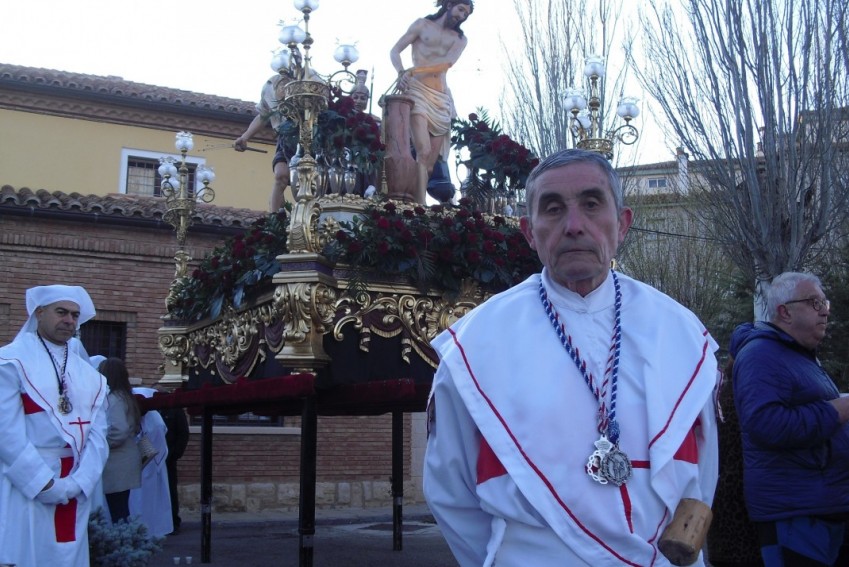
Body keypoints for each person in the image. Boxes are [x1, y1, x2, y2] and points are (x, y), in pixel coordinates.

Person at [424, 149, 720, 566]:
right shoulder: (476, 346)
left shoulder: (682, 334)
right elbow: (450, 495)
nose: (574, 226)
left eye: (592, 204)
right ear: (529, 231)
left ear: (623, 223)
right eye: (553, 209)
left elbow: (702, 476)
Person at [732, 272, 849, 566]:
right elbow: (766, 424)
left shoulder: (798, 356)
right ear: (784, 311)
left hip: (821, 507)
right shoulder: (761, 355)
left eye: (825, 303)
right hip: (794, 515)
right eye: (814, 302)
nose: (824, 310)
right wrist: (840, 409)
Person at [0, 285, 109, 567]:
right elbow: (6, 433)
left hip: (75, 484)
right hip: (25, 484)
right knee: (27, 553)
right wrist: (44, 484)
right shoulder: (10, 362)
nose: (70, 320)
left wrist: (80, 482)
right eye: (61, 312)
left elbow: (99, 436)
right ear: (39, 313)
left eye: (75, 315)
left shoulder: (90, 375)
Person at [390, 0, 473, 203]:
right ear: (449, 5)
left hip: (442, 100)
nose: (462, 16)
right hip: (417, 92)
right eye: (461, 9)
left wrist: (413, 70)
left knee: (429, 163)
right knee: (423, 151)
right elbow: (395, 50)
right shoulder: (421, 25)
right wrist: (401, 72)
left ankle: (414, 203)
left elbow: (446, 63)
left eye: (466, 14)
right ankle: (420, 205)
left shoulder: (460, 39)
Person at [234, 69, 297, 213]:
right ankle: (274, 218)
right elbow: (264, 115)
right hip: (285, 138)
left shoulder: (307, 79)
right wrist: (245, 137)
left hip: (308, 138)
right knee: (281, 176)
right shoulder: (271, 85)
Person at [99, 357, 143, 524]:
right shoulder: (125, 396)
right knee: (120, 509)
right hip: (124, 459)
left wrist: (101, 444)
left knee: (118, 510)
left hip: (118, 461)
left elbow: (119, 429)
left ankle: (123, 544)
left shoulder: (115, 398)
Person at [129, 386, 173, 538]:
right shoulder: (143, 419)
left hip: (151, 469)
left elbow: (159, 448)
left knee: (150, 503)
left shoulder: (154, 421)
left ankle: (150, 532)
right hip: (138, 469)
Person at [160, 404, 190, 533]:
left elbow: (183, 433)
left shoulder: (175, 410)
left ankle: (173, 522)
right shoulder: (150, 410)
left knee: (170, 490)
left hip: (168, 458)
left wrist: (175, 454)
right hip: (150, 459)